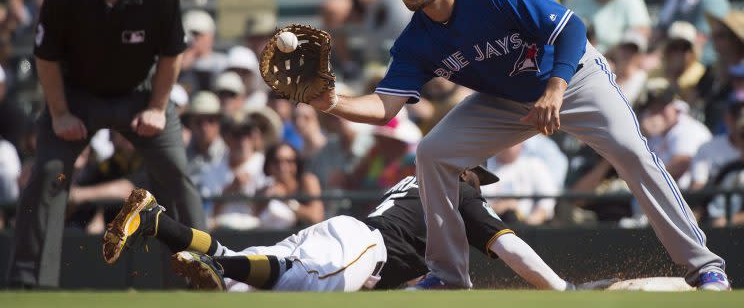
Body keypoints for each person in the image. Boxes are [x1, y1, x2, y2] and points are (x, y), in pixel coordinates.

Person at [304, 0, 730, 290]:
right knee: (433, 152)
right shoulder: (415, 42)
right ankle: (447, 275)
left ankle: (705, 266)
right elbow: (384, 107)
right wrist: (331, 102)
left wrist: (555, 89)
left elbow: (572, 29)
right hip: (504, 99)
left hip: (575, 77)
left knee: (632, 153)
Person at [7, 0, 205, 288]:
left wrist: (158, 108)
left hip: (140, 92)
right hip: (77, 96)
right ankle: (29, 282)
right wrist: (60, 113)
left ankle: (198, 274)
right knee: (47, 173)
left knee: (175, 171)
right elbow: (45, 57)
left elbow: (172, 55)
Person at [102, 166, 587, 291]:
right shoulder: (459, 189)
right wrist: (562, 289)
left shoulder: (414, 185)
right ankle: (214, 263)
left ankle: (157, 221)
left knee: (244, 282)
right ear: (464, 170)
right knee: (292, 284)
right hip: (364, 249)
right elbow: (509, 245)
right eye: (478, 174)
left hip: (343, 235)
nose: (481, 184)